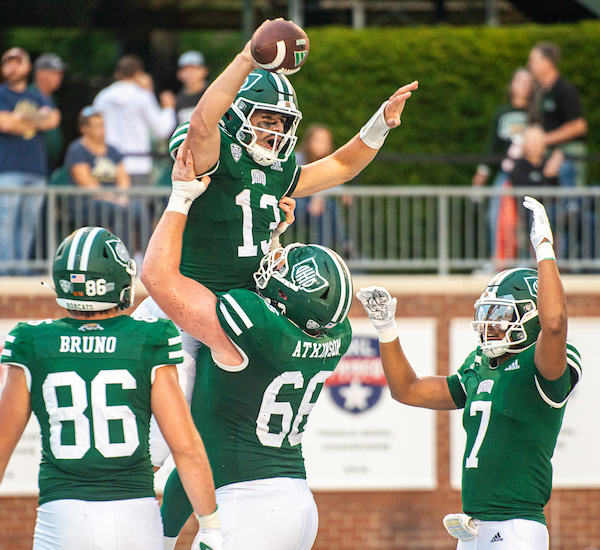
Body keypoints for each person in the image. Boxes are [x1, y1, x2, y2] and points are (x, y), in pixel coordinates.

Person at [140, 148, 353, 550]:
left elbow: (158, 277)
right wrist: (271, 234)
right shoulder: (334, 333)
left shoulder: (246, 323)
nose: (273, 263)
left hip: (246, 504)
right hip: (298, 503)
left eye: (282, 266)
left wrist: (182, 198)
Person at [357, 196, 581, 550]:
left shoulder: (543, 365)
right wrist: (386, 329)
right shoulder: (480, 363)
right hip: (475, 526)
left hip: (517, 526)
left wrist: (543, 248)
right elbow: (407, 390)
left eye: (503, 314)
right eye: (489, 313)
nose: (491, 324)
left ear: (531, 314)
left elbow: (554, 325)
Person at [0, 226, 223, 550]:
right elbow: (186, 447)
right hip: (133, 516)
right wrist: (211, 527)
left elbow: (2, 446)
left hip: (62, 516)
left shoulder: (31, 341)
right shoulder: (149, 337)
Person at [92, 55, 177, 257]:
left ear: (117, 73)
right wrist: (169, 107)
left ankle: (112, 257)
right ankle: (140, 259)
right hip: (138, 164)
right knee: (139, 216)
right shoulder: (142, 96)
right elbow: (163, 129)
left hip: (110, 164)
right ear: (138, 74)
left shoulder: (103, 97)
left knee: (114, 215)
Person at [0, 47, 60, 274]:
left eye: (18, 62)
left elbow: (52, 119)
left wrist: (20, 119)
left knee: (27, 223)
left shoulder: (36, 95)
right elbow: (3, 123)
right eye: (8, 62)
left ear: (27, 67)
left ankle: (22, 268)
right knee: (5, 221)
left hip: (36, 169)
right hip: (7, 169)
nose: (13, 67)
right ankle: (6, 270)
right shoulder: (2, 94)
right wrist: (36, 119)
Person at [471, 68, 535, 259]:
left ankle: (527, 263)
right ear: (512, 85)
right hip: (505, 173)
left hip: (527, 174)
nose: (523, 86)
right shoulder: (502, 112)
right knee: (496, 215)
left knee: (526, 220)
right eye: (519, 81)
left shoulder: (535, 113)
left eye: (527, 82)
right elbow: (493, 144)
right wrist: (482, 170)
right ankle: (497, 259)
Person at [63, 106, 131, 238]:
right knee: (120, 212)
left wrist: (122, 196)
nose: (102, 130)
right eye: (97, 126)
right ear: (84, 129)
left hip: (114, 201)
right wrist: (113, 198)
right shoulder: (77, 150)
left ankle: (140, 254)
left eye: (103, 125)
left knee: (140, 211)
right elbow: (85, 182)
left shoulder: (113, 150)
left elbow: (124, 178)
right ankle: (121, 253)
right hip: (85, 203)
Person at [528, 42, 588, 189]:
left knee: (571, 201)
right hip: (549, 154)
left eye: (534, 60)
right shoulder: (541, 92)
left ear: (547, 62)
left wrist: (545, 140)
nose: (530, 65)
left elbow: (579, 126)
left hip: (568, 154)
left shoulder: (564, 89)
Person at [295, 124, 353, 253]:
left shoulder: (328, 161)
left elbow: (331, 181)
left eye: (325, 141)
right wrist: (317, 196)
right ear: (309, 141)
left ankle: (321, 250)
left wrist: (343, 192)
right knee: (327, 206)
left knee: (328, 207)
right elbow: (304, 182)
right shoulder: (298, 158)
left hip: (315, 209)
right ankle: (343, 242)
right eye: (318, 140)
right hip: (293, 205)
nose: (322, 144)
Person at [30, 52, 66, 173]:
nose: (59, 77)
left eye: (60, 73)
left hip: (46, 166)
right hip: (31, 166)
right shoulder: (30, 95)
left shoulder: (49, 98)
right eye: (54, 73)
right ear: (40, 73)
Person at [175, 50, 209, 125]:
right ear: (179, 74)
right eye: (186, 70)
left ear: (204, 71)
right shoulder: (178, 100)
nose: (190, 74)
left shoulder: (212, 93)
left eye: (194, 69)